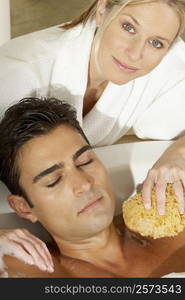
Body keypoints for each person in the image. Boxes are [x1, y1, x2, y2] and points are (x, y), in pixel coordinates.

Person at [0, 0, 185, 269]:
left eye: (156, 43)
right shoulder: (13, 77)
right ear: (102, 10)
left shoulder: (167, 60)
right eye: (128, 27)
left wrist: (179, 151)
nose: (135, 54)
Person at [0, 97, 185, 278]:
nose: (84, 184)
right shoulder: (25, 272)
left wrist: (179, 152)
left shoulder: (172, 218)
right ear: (23, 207)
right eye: (53, 180)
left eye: (84, 161)